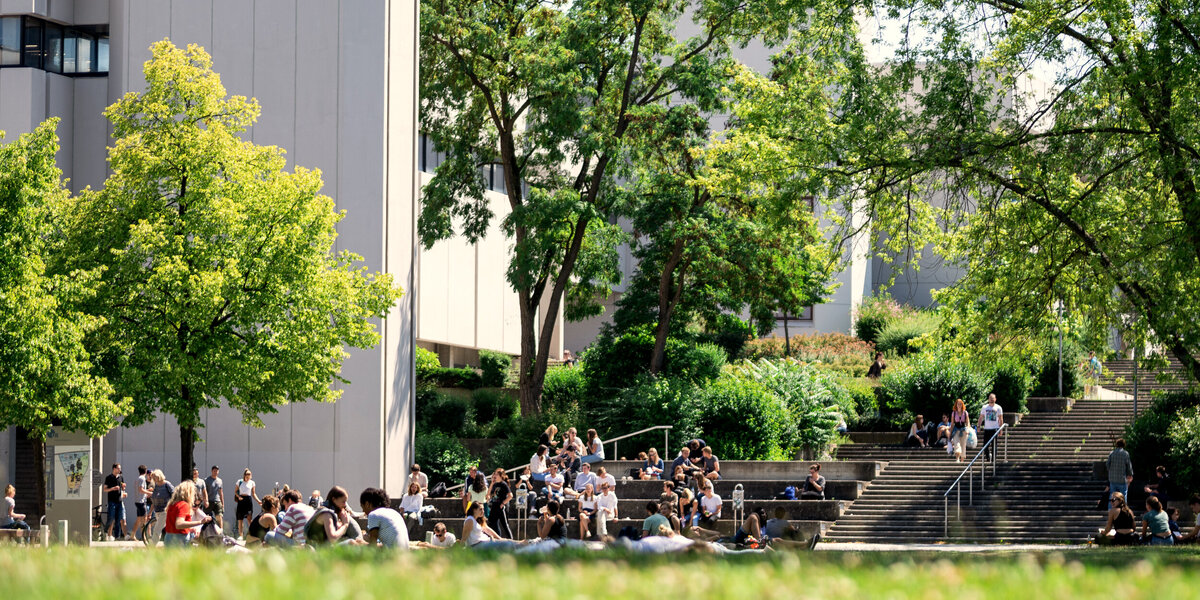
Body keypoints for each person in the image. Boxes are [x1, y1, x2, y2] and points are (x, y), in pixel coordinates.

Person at [164, 481, 211, 547]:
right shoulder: (184, 505)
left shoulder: (172, 504)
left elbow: (173, 525)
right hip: (180, 539)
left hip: (168, 537)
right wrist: (200, 522)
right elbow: (179, 524)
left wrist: (189, 529)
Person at [1106, 438, 1134, 509]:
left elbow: (1107, 464)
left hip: (1112, 479)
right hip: (1122, 479)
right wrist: (1130, 475)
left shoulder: (1112, 453)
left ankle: (1110, 510)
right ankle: (1124, 509)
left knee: (1112, 495)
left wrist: (1111, 471)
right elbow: (1129, 466)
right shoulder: (1125, 454)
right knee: (1124, 495)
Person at [103, 463, 127, 540]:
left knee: (119, 519)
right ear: (114, 469)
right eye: (118, 468)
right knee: (111, 518)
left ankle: (117, 536)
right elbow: (105, 489)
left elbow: (122, 489)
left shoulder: (121, 478)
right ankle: (106, 532)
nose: (120, 470)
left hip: (119, 501)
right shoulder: (109, 477)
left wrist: (123, 490)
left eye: (120, 468)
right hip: (112, 501)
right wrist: (112, 488)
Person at [148, 469, 174, 542]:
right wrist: (150, 512)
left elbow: (174, 495)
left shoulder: (167, 484)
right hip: (157, 511)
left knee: (157, 529)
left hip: (165, 511)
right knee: (160, 528)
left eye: (155, 477)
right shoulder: (156, 486)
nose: (154, 479)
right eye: (153, 477)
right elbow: (154, 500)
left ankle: (152, 547)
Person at [488, 468, 513, 539]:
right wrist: (492, 483)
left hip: (501, 508)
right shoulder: (495, 484)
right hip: (494, 506)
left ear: (500, 475)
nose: (494, 475)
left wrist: (503, 503)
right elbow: (488, 494)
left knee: (505, 525)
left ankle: (511, 541)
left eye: (496, 474)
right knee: (491, 524)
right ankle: (498, 539)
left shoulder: (504, 484)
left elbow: (510, 496)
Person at [976, 393, 1003, 460]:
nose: (991, 399)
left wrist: (1001, 429)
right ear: (988, 399)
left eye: (993, 398)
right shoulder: (985, 407)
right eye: (990, 398)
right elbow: (981, 417)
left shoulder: (998, 407)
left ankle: (994, 459)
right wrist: (978, 426)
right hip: (987, 428)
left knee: (994, 445)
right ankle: (988, 457)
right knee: (985, 445)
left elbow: (1000, 419)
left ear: (995, 399)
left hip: (995, 429)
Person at [234, 468, 260, 539]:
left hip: (248, 500)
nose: (248, 475)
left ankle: (252, 533)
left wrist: (258, 501)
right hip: (241, 499)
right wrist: (238, 497)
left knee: (249, 518)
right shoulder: (239, 481)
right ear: (244, 475)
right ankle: (241, 535)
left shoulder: (252, 482)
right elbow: (235, 491)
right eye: (247, 474)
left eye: (249, 474)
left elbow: (254, 494)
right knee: (240, 519)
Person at [132, 465, 151, 541]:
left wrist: (146, 493)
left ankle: (132, 535)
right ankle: (144, 537)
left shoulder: (138, 478)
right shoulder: (142, 479)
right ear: (146, 471)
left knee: (139, 519)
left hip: (138, 501)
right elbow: (141, 490)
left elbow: (139, 491)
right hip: (141, 502)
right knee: (144, 519)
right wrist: (150, 492)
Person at [203, 465, 223, 530]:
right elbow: (204, 491)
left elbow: (221, 492)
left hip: (217, 501)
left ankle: (221, 532)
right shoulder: (207, 480)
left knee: (219, 516)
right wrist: (205, 500)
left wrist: (222, 503)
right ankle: (205, 532)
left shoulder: (220, 481)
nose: (215, 472)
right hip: (209, 501)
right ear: (212, 471)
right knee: (206, 517)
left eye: (217, 471)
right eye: (214, 471)